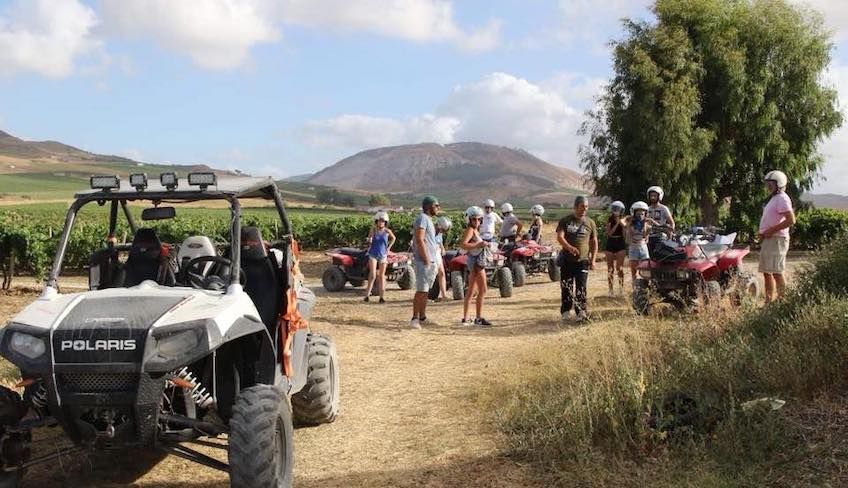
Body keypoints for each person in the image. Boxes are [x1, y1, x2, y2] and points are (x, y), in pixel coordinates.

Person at [556, 196, 598, 323]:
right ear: (575, 207)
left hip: (583, 261)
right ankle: (566, 311)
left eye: (586, 206)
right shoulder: (566, 221)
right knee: (566, 287)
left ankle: (581, 312)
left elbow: (594, 242)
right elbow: (559, 237)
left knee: (581, 287)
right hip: (567, 261)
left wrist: (593, 259)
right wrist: (569, 247)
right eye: (582, 206)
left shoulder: (590, 223)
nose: (584, 209)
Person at [758, 170, 796, 303]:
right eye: (767, 183)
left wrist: (771, 231)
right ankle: (769, 302)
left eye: (771, 184)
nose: (768, 186)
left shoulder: (782, 198)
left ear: (779, 184)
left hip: (777, 239)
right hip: (770, 239)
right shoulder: (774, 199)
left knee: (776, 272)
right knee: (767, 272)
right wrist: (764, 233)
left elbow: (791, 220)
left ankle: (783, 302)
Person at [410, 195, 441, 329]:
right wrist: (426, 258)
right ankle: (414, 318)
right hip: (424, 260)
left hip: (431, 260)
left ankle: (422, 316)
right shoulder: (422, 218)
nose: (438, 208)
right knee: (421, 290)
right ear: (429, 207)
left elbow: (428, 239)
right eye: (436, 205)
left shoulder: (428, 220)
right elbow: (419, 239)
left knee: (426, 290)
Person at [460, 206, 492, 327]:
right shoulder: (470, 230)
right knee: (483, 290)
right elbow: (463, 245)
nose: (477, 221)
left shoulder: (475, 230)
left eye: (479, 219)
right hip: (477, 263)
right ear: (469, 219)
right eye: (474, 219)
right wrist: (479, 244)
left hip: (474, 262)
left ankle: (466, 318)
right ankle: (478, 318)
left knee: (471, 291)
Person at [364, 211, 396, 303]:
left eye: (383, 221)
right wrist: (369, 240)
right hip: (373, 254)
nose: (381, 222)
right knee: (373, 274)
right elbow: (369, 239)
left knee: (382, 276)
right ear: (376, 221)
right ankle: (367, 295)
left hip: (383, 255)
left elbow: (394, 238)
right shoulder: (373, 230)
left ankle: (382, 297)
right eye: (379, 221)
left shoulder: (387, 231)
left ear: (385, 222)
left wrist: (388, 248)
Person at [604, 201, 627, 297]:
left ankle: (621, 288)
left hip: (620, 243)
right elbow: (609, 233)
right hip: (610, 243)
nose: (616, 211)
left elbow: (625, 234)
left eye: (618, 209)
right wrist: (617, 223)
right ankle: (610, 290)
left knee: (619, 268)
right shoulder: (609, 219)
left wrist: (622, 224)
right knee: (610, 269)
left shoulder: (624, 219)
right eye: (614, 209)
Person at [625, 201, 651, 282]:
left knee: (646, 268)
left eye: (642, 214)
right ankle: (634, 285)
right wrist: (630, 221)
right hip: (633, 246)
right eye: (638, 213)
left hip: (643, 246)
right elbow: (628, 233)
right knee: (633, 268)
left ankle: (647, 284)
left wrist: (645, 224)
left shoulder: (647, 224)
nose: (640, 216)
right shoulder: (630, 223)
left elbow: (645, 235)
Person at [646, 186, 675, 256]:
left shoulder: (664, 208)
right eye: (651, 196)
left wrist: (670, 235)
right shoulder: (647, 209)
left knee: (660, 255)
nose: (652, 197)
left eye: (655, 196)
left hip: (660, 236)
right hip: (648, 236)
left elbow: (672, 223)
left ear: (659, 196)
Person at [433, 216, 453, 301]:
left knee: (441, 273)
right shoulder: (431, 231)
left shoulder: (439, 232)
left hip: (437, 252)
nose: (444, 232)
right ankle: (425, 294)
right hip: (431, 252)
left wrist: (442, 248)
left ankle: (444, 295)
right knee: (431, 275)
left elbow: (439, 241)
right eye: (444, 230)